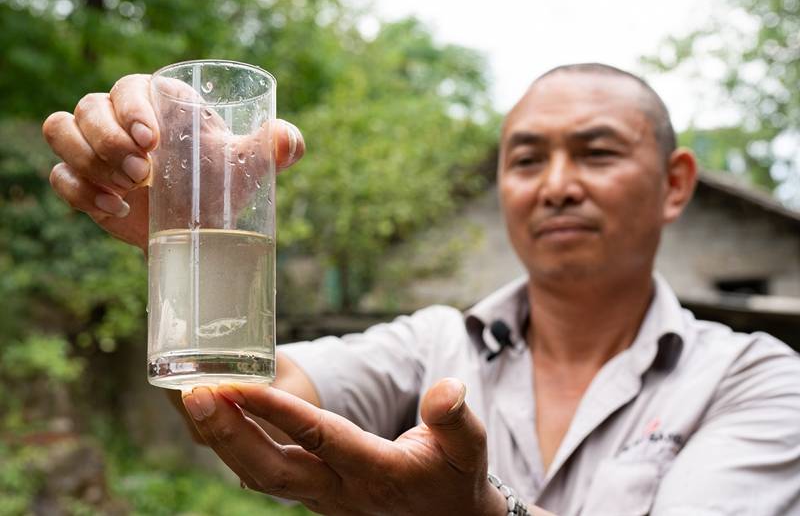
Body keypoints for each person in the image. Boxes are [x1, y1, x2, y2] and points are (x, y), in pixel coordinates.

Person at [43, 63, 800, 515]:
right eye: (527, 159)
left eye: (597, 152)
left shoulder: (760, 380)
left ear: (675, 184)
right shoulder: (433, 342)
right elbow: (255, 402)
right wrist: (187, 223)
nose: (558, 186)